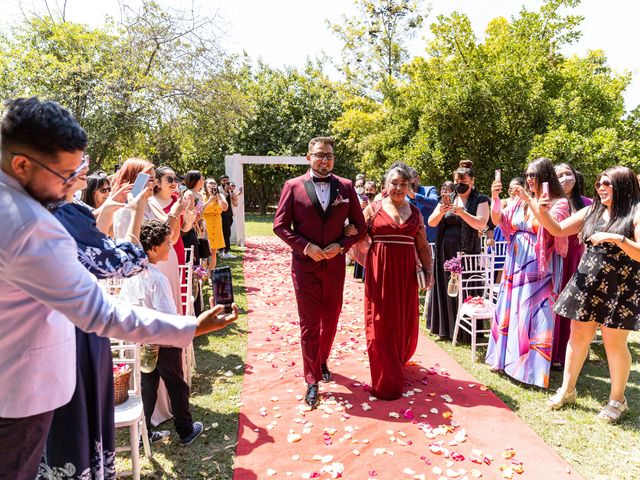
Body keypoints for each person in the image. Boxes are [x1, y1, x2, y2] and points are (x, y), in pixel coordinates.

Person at [0, 97, 237, 480]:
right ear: (22, 163)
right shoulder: (33, 225)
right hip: (20, 390)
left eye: (80, 170)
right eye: (66, 175)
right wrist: (191, 328)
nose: (73, 186)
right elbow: (100, 313)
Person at [38, 167, 150, 479]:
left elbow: (89, 247)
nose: (85, 166)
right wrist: (137, 208)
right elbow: (129, 261)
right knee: (73, 430)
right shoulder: (65, 213)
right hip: (74, 334)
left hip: (41, 336)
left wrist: (106, 209)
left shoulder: (33, 209)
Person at [538, 166, 640, 422]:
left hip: (620, 287)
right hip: (587, 282)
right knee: (579, 335)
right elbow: (558, 229)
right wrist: (541, 210)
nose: (601, 187)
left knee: (613, 343)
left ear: (623, 185)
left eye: (607, 183)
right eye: (598, 183)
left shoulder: (636, 213)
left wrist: (617, 238)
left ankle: (618, 400)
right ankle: (567, 390)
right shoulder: (591, 210)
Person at [273, 136, 366, 407]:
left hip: (335, 266)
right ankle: (312, 379)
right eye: (319, 155)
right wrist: (306, 247)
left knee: (331, 319)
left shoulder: (346, 187)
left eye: (329, 155)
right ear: (308, 157)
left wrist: (342, 245)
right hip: (305, 267)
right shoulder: (292, 186)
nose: (325, 160)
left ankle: (322, 358)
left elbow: (360, 227)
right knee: (310, 323)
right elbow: (280, 226)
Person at [121, 221, 218, 445]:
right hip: (164, 340)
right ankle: (185, 430)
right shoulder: (157, 278)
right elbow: (167, 315)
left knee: (148, 387)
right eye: (166, 243)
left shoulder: (132, 274)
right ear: (153, 249)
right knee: (176, 385)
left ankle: (142, 432)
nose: (170, 247)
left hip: (143, 341)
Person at [485, 157, 570, 388]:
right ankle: (504, 361)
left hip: (539, 265)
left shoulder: (558, 202)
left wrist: (529, 200)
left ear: (545, 176)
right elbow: (498, 220)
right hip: (515, 261)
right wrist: (495, 198)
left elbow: (548, 225)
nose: (530, 180)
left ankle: (532, 371)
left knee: (535, 313)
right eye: (528, 175)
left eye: (534, 175)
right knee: (511, 309)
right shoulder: (519, 201)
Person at [363, 164, 433, 400]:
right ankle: (385, 377)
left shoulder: (414, 212)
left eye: (404, 184)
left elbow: (422, 244)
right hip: (380, 272)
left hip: (405, 275)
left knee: (402, 320)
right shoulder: (373, 209)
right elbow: (355, 235)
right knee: (381, 321)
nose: (399, 187)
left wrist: (429, 270)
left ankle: (398, 359)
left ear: (409, 186)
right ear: (385, 185)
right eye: (394, 183)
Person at [427, 160, 490, 341]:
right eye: (456, 181)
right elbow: (431, 222)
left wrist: (461, 212)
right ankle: (445, 328)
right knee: (446, 287)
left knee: (465, 288)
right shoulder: (448, 197)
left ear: (472, 181)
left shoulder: (481, 199)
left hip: (467, 251)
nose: (459, 184)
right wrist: (441, 211)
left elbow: (481, 223)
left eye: (463, 181)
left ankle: (465, 331)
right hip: (445, 250)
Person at [550, 163, 593, 369]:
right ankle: (550, 350)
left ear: (576, 177)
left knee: (573, 306)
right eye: (559, 175)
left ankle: (570, 353)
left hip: (578, 259)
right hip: (556, 258)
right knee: (554, 303)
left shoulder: (587, 203)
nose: (565, 178)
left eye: (568, 174)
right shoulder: (551, 202)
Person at [406, 167, 439, 243]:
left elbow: (434, 203)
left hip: (430, 240)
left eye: (411, 178)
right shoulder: (402, 196)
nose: (410, 182)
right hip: (411, 240)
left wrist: (415, 196)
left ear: (418, 178)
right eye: (407, 179)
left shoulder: (430, 189)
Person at [202, 178, 228, 270]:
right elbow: (200, 209)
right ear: (205, 185)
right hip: (205, 224)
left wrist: (218, 197)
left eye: (214, 183)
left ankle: (211, 273)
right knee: (204, 251)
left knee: (213, 252)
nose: (213, 185)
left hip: (216, 225)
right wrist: (210, 200)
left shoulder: (220, 195)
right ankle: (203, 274)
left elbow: (224, 208)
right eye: (210, 183)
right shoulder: (202, 195)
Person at [219, 174, 238, 258]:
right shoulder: (218, 189)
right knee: (223, 233)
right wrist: (226, 191)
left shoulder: (230, 190)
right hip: (221, 214)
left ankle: (225, 250)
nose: (226, 182)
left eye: (227, 180)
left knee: (227, 233)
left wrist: (232, 192)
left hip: (229, 214)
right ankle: (224, 251)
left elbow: (235, 202)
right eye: (224, 180)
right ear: (220, 181)